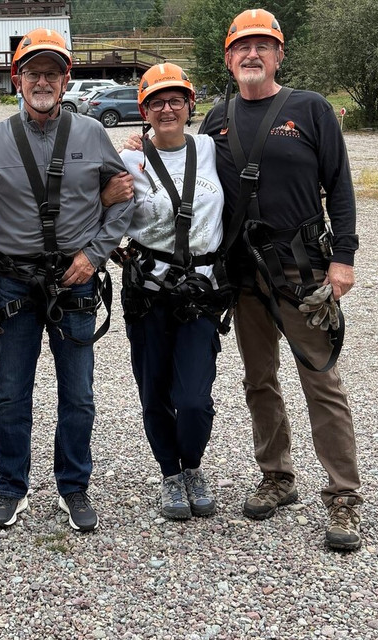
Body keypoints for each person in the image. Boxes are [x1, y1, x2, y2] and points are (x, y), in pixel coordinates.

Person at [199, 8, 363, 551]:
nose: (252, 54)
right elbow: (192, 181)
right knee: (259, 379)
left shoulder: (310, 109)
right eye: (242, 47)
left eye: (262, 46)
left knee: (321, 378)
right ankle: (277, 475)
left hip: (302, 271)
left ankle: (343, 495)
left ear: (278, 55)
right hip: (243, 273)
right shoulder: (216, 120)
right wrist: (138, 151)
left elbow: (339, 185)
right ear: (229, 58)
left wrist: (343, 257)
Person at [0, 28, 134, 532]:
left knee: (78, 394)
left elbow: (123, 198)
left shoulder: (92, 134)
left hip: (75, 283)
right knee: (11, 392)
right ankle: (11, 488)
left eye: (52, 73)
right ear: (17, 79)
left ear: (66, 79)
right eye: (33, 72)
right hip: (15, 283)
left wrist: (95, 255)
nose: (42, 81)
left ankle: (73, 487)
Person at [116, 63, 227, 521]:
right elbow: (94, 205)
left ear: (189, 105)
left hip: (200, 292)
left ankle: (193, 465)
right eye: (156, 102)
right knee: (154, 390)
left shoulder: (211, 148)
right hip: (149, 292)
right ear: (143, 110)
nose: (167, 109)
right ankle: (171, 473)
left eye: (175, 100)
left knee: (194, 399)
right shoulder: (128, 161)